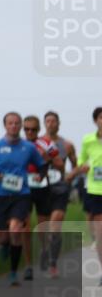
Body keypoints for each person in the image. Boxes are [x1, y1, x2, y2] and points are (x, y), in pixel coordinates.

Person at [0, 112, 47, 286]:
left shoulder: (28, 148)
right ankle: (3, 244)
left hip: (21, 194)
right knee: (3, 235)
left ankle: (13, 272)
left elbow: (42, 165)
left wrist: (40, 175)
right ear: (5, 126)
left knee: (16, 230)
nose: (14, 126)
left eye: (17, 123)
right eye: (10, 123)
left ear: (20, 126)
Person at [39, 111, 78, 278]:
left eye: (53, 121)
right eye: (47, 121)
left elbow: (76, 164)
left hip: (61, 188)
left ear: (59, 123)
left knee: (56, 223)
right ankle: (45, 249)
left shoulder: (67, 145)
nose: (50, 124)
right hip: (41, 187)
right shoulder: (38, 143)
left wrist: (71, 175)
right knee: (43, 227)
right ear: (44, 123)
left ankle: (53, 264)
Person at [23, 115, 61, 281]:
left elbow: (55, 152)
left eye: (33, 129)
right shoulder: (20, 144)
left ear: (38, 130)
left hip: (42, 187)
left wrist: (45, 158)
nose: (30, 132)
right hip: (24, 188)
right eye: (27, 129)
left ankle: (44, 249)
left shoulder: (44, 142)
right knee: (25, 226)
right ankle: (28, 265)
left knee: (41, 226)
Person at [72, 107, 102, 287]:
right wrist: (82, 166)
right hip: (93, 189)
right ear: (95, 121)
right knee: (95, 230)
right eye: (101, 117)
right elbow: (81, 160)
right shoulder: (88, 140)